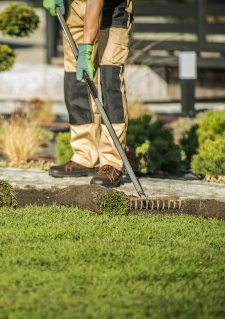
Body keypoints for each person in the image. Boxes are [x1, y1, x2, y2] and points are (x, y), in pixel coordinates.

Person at [43, 0, 133, 187]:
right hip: (75, 9)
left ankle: (111, 162)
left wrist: (86, 47)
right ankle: (84, 155)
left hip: (111, 9)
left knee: (110, 81)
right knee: (77, 81)